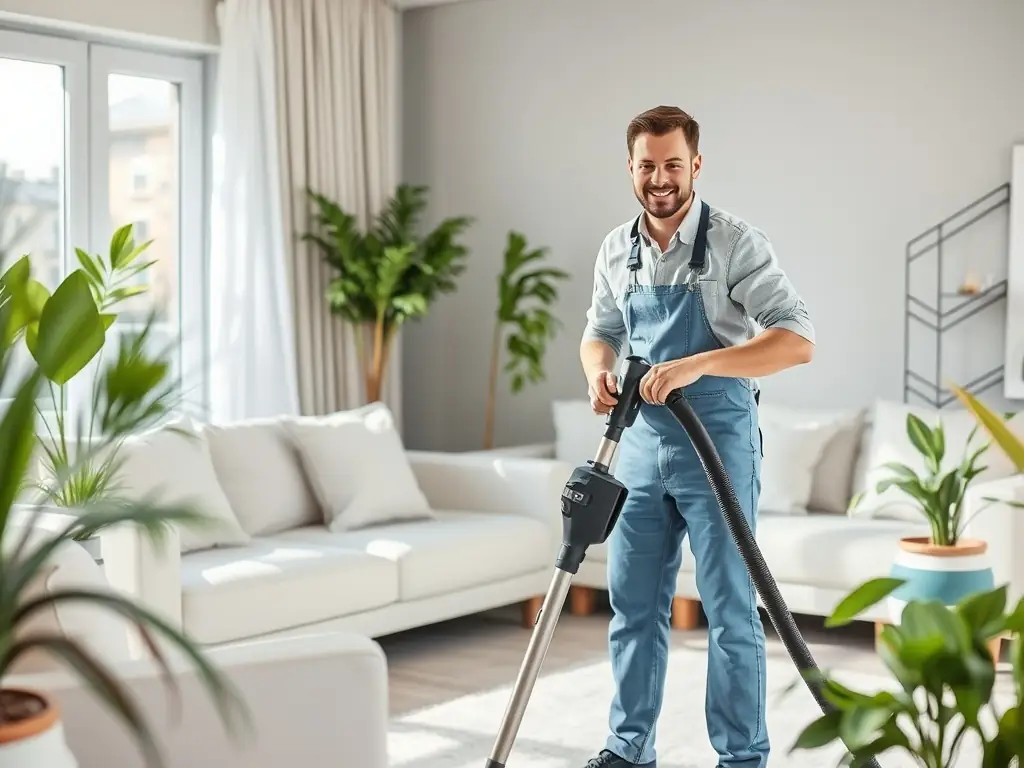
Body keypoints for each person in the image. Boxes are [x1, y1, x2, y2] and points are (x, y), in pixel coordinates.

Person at [578, 105, 816, 768]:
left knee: (731, 614)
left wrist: (701, 362)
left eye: (673, 165)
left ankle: (742, 759)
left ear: (696, 166)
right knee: (632, 609)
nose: (660, 178)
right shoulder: (615, 250)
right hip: (643, 448)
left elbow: (797, 342)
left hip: (717, 443)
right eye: (647, 165)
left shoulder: (737, 242)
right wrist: (598, 371)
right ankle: (628, 752)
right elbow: (599, 332)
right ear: (631, 167)